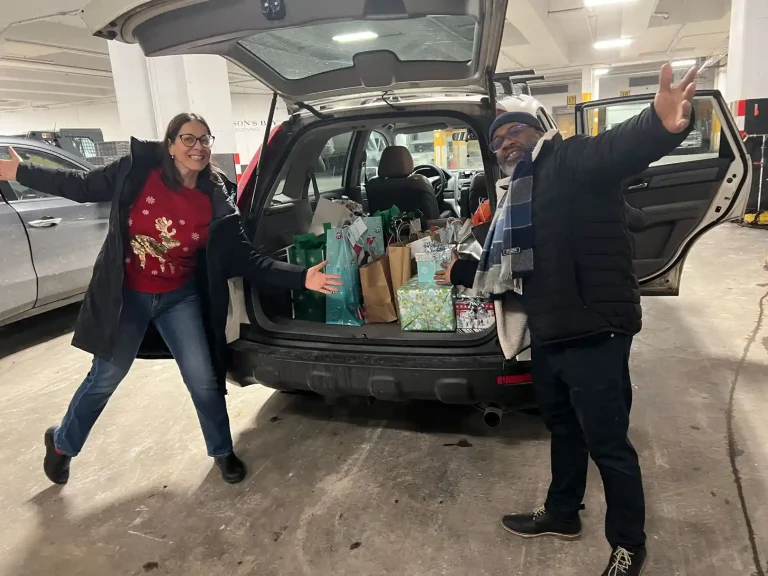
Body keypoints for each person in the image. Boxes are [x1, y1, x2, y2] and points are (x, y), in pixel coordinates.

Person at [435, 64, 698, 576]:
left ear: (539, 130)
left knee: (608, 443)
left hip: (596, 327)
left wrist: (661, 123)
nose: (506, 143)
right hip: (551, 330)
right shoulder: (517, 194)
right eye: (497, 141)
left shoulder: (570, 159)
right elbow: (517, 265)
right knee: (562, 427)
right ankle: (562, 513)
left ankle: (629, 544)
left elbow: (617, 148)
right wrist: (467, 269)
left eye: (515, 130)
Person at [0, 113, 341, 485]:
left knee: (204, 378)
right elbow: (82, 185)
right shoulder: (136, 171)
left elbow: (247, 259)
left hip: (180, 299)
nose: (198, 147)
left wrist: (301, 275)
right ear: (171, 144)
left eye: (205, 140)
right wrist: (21, 172)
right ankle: (63, 443)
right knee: (105, 377)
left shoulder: (216, 199)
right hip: (127, 296)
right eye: (188, 139)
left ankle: (222, 451)